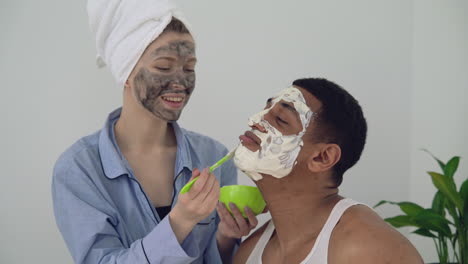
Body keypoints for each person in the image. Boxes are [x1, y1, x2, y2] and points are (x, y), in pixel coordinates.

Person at [52, 1, 257, 263]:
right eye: (163, 67)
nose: (181, 82)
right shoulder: (78, 169)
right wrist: (180, 221)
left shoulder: (213, 156)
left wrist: (227, 236)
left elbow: (216, 258)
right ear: (126, 72)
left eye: (189, 68)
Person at [227, 78, 424, 264]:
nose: (254, 120)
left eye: (280, 119)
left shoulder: (366, 248)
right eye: (265, 108)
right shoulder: (248, 253)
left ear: (322, 158)